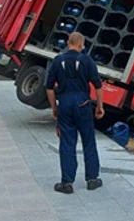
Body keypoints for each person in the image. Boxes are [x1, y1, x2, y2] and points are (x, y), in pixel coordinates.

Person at [45, 32, 104, 194]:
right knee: (88, 141)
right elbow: (98, 85)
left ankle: (67, 182)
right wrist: (99, 106)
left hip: (65, 103)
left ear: (68, 42)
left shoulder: (58, 61)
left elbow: (49, 88)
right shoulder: (87, 60)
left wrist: (54, 107)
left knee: (67, 143)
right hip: (83, 104)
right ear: (81, 45)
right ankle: (92, 179)